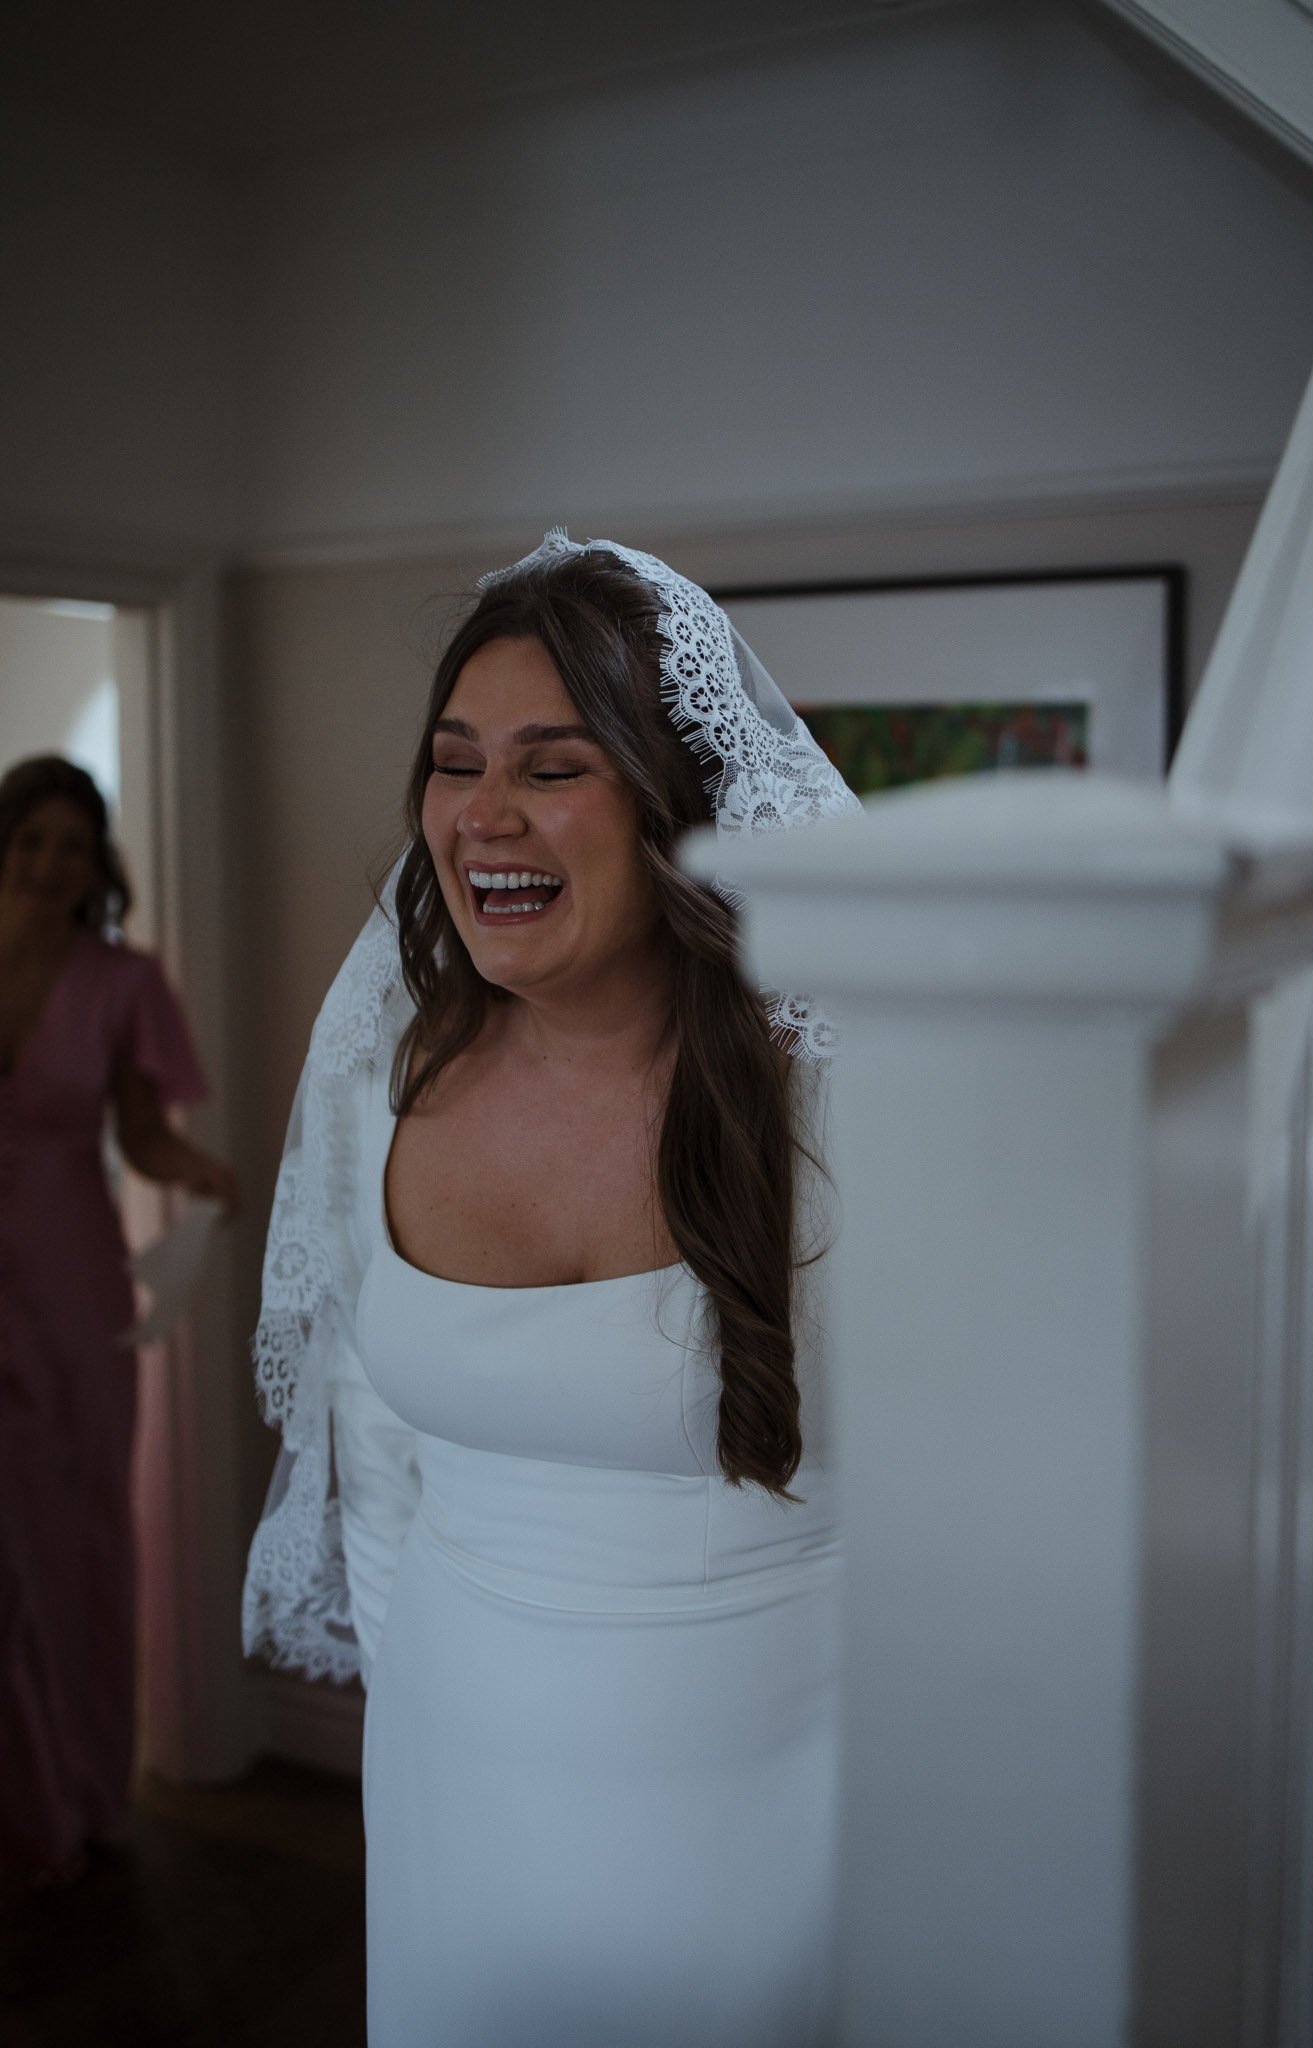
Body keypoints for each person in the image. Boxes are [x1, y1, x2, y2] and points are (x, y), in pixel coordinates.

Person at [242, 531, 861, 2046]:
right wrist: (415, 1716)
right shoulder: (386, 1079)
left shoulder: (839, 1096)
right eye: (455, 767)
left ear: (670, 803)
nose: (484, 817)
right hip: (457, 1773)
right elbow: (374, 1453)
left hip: (780, 1784)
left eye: (551, 766)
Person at [0, 754, 237, 1890]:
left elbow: (142, 1134)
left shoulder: (122, 978)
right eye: (31, 838)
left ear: (99, 862)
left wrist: (204, 1172)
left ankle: (83, 1792)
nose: (50, 862)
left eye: (72, 843)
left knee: (78, 1541)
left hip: (69, 1282)